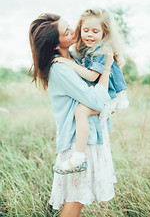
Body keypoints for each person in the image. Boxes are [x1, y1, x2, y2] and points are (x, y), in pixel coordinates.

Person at [29, 13, 116, 216]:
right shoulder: (60, 68)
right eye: (67, 31)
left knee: (78, 200)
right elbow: (95, 100)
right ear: (55, 45)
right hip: (77, 143)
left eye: (70, 26)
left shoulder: (75, 58)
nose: (74, 31)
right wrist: (106, 68)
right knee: (75, 201)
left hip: (87, 138)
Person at [52, 8, 129, 174]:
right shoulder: (88, 49)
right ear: (80, 29)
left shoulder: (102, 51)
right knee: (81, 111)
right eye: (85, 30)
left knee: (81, 111)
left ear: (104, 33)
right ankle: (79, 156)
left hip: (112, 97)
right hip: (107, 96)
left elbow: (93, 77)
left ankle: (79, 156)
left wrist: (68, 63)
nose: (89, 35)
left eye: (95, 31)